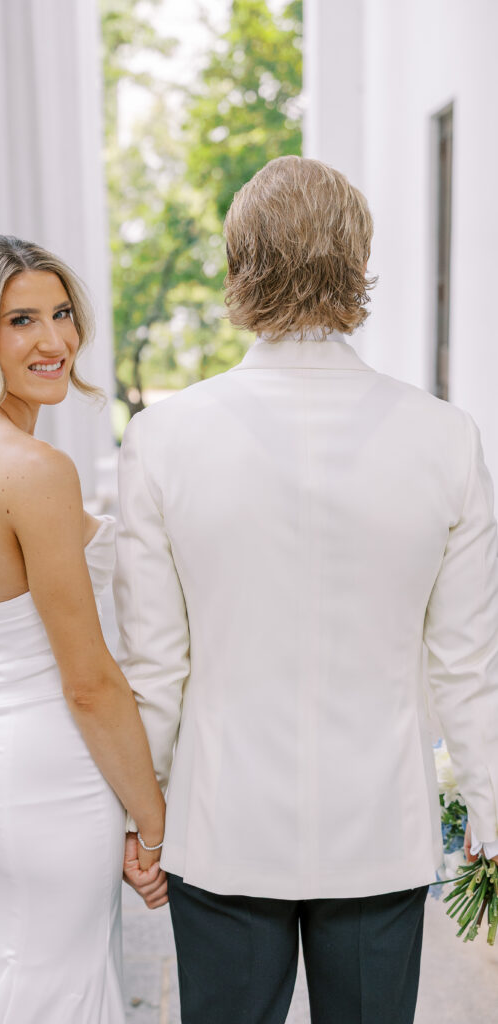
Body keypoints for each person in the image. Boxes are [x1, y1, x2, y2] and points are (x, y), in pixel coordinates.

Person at [113, 156, 498, 1024]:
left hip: (221, 830)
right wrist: (488, 808)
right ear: (358, 264)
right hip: (378, 835)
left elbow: (154, 671)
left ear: (237, 266)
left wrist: (141, 819)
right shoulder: (444, 438)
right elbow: (467, 665)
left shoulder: (163, 439)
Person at [0, 235, 167, 1024]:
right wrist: (150, 823)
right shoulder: (35, 472)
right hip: (48, 774)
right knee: (52, 992)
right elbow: (87, 682)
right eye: (21, 321)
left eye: (60, 314)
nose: (54, 341)